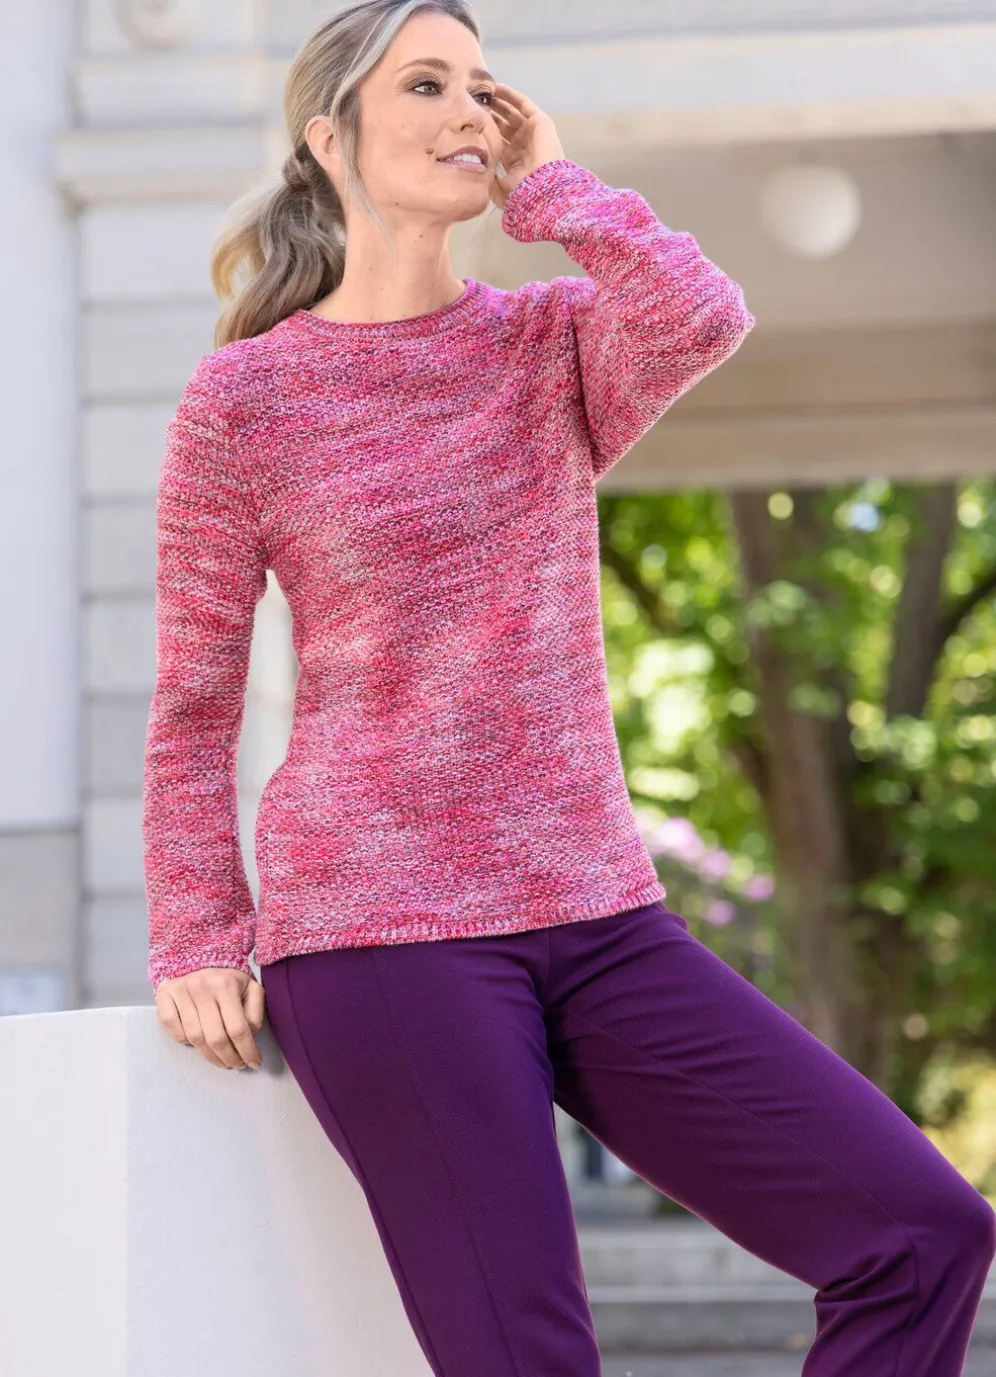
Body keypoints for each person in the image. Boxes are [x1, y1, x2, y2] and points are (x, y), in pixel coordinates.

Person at [141, 3, 996, 1374]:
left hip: (596, 910)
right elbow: (195, 699)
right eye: (426, 85)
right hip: (380, 931)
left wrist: (554, 187)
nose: (468, 113)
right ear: (330, 139)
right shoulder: (245, 402)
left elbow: (700, 312)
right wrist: (197, 929)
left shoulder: (546, 344)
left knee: (921, 1232)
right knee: (526, 1357)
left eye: (484, 86)